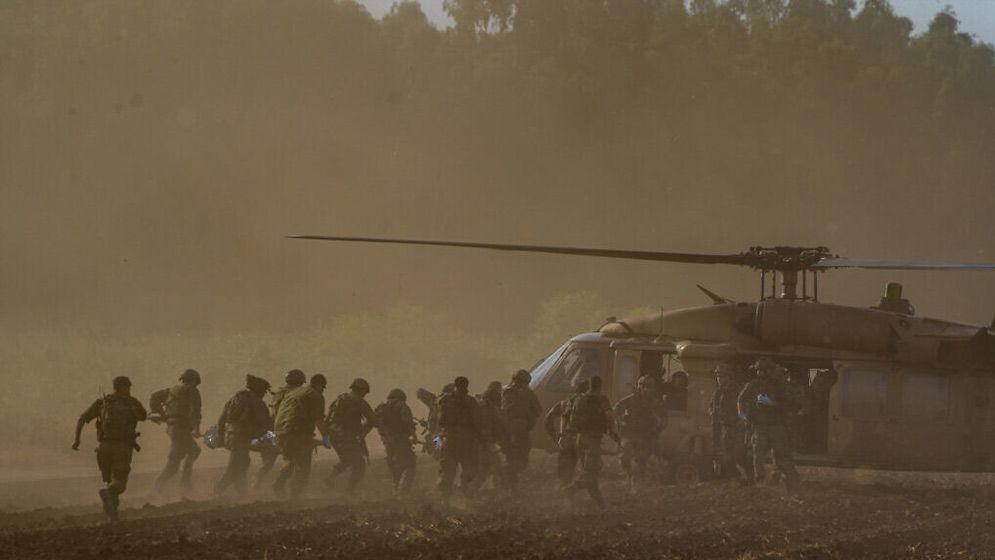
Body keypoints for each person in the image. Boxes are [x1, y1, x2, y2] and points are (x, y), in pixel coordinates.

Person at [72, 376, 147, 522]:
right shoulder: (131, 402)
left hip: (104, 448)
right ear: (125, 387)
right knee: (118, 484)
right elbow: (143, 416)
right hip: (122, 447)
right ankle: (110, 497)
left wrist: (77, 441)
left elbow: (82, 419)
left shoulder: (102, 403)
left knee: (110, 482)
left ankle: (113, 515)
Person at [737, 357, 800, 492]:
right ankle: (761, 483)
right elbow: (740, 400)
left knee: (781, 456)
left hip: (776, 426)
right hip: (759, 426)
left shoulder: (779, 386)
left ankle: (787, 483)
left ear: (770, 371)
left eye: (764, 370)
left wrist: (771, 403)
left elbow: (791, 405)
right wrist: (743, 417)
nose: (760, 373)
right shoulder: (752, 385)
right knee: (758, 456)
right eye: (758, 370)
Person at [272, 374, 331, 498]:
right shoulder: (315, 395)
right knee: (303, 466)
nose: (322, 390)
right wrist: (326, 437)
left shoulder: (294, 392)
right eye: (323, 387)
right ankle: (295, 496)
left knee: (289, 460)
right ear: (319, 385)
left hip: (280, 432)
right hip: (297, 433)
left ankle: (279, 483)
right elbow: (319, 419)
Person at [563, 375, 617, 508]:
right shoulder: (601, 399)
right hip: (593, 439)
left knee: (589, 471)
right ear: (600, 386)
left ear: (589, 385)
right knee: (592, 471)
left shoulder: (578, 398)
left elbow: (567, 415)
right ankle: (571, 489)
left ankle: (601, 504)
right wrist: (613, 431)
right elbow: (609, 415)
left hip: (580, 439)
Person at [214, 374, 272, 495]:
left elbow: (221, 419)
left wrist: (220, 437)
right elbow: (266, 424)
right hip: (242, 437)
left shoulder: (235, 399)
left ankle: (241, 492)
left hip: (230, 436)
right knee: (233, 467)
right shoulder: (257, 402)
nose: (264, 394)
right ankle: (217, 491)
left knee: (243, 462)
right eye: (263, 391)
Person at [613, 375, 666, 493]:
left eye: (649, 387)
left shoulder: (656, 403)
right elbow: (616, 409)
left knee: (641, 460)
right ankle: (629, 475)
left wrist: (657, 429)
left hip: (646, 435)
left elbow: (664, 419)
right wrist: (620, 422)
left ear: (653, 389)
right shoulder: (631, 400)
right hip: (630, 432)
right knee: (624, 456)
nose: (645, 389)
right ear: (638, 387)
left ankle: (637, 485)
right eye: (643, 386)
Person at [254, 369, 305, 489]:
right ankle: (279, 483)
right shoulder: (296, 394)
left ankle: (256, 483)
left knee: (268, 462)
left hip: (272, 430)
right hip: (286, 430)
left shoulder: (279, 393)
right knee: (290, 460)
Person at [155, 368, 203, 493]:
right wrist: (197, 429)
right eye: (196, 382)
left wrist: (162, 414)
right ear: (192, 381)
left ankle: (158, 486)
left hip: (172, 428)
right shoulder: (192, 391)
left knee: (174, 463)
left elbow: (154, 397)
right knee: (194, 451)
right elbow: (194, 411)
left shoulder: (171, 390)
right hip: (181, 429)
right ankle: (184, 483)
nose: (196, 385)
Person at [436, 376, 482, 505]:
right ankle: (465, 490)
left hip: (449, 440)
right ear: (466, 385)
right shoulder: (471, 401)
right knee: (470, 468)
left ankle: (444, 500)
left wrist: (437, 442)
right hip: (467, 441)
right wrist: (481, 439)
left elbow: (438, 423)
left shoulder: (444, 400)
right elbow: (478, 423)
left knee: (447, 470)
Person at [325, 378, 375, 493]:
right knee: (360, 465)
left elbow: (327, 419)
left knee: (347, 459)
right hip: (346, 436)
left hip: (333, 435)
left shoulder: (339, 399)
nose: (365, 395)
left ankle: (331, 478)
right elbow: (373, 420)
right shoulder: (359, 402)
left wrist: (326, 437)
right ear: (361, 390)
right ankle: (350, 490)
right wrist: (362, 433)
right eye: (365, 392)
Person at [709, 363, 751, 484]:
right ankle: (735, 478)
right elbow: (713, 409)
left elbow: (746, 408)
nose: (720, 379)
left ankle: (752, 477)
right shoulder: (717, 393)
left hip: (739, 427)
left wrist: (743, 423)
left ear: (729, 377)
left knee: (740, 455)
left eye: (723, 376)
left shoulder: (739, 390)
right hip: (726, 428)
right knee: (727, 457)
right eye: (718, 376)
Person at [501, 369, 542, 492]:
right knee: (522, 461)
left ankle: (511, 488)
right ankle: (503, 473)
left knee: (511, 457)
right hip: (520, 430)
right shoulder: (528, 394)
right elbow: (538, 411)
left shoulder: (504, 392)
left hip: (506, 431)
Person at [544, 379, 588, 488]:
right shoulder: (591, 404)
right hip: (585, 440)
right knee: (587, 470)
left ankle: (564, 493)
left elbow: (548, 418)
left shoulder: (564, 403)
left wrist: (554, 436)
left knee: (565, 472)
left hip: (567, 439)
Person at [374, 388, 418, 495]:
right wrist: (413, 435)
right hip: (401, 441)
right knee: (409, 465)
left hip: (388, 442)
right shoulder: (402, 406)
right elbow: (407, 422)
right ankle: (402, 493)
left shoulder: (381, 407)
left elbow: (375, 423)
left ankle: (395, 490)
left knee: (395, 468)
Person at [474, 381, 509, 492]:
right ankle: (469, 490)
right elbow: (502, 423)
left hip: (479, 442)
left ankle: (470, 490)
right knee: (494, 468)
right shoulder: (490, 408)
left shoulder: (478, 405)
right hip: (486, 443)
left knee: (488, 468)